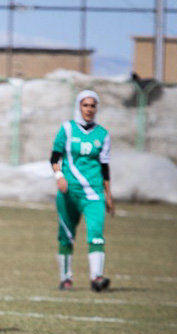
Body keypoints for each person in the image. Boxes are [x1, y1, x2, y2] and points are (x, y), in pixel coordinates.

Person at [51, 89, 113, 292]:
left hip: (94, 193)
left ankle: (97, 278)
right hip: (70, 191)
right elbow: (54, 157)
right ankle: (66, 278)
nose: (89, 109)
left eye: (93, 105)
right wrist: (59, 176)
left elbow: (104, 167)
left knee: (96, 234)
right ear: (79, 106)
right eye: (85, 105)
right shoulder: (67, 129)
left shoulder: (103, 134)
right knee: (66, 235)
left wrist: (108, 195)